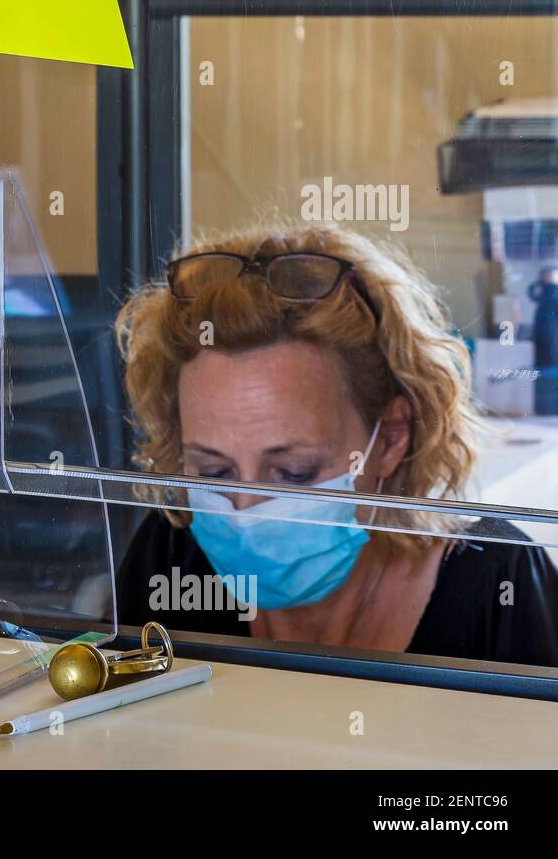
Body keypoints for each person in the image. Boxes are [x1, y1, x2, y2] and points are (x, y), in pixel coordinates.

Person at [114, 224, 558, 666]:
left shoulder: (499, 589)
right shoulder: (171, 559)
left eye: (295, 473)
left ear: (390, 438)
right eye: (213, 472)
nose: (245, 510)